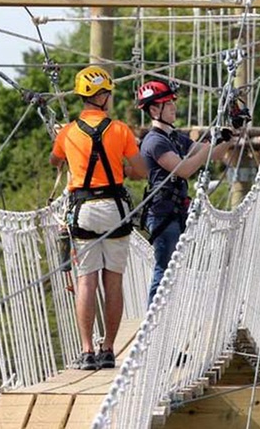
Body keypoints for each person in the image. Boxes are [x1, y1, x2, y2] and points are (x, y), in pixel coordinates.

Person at [50, 65, 148, 371]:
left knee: (86, 281)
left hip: (84, 211)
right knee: (114, 280)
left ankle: (87, 350)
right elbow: (141, 170)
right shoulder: (120, 130)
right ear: (102, 95)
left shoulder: (68, 132)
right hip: (115, 209)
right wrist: (122, 171)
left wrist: (63, 140)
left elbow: (55, 161)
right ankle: (108, 349)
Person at [136, 79, 235, 303]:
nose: (173, 107)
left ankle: (168, 317)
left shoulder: (175, 137)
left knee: (176, 270)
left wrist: (231, 136)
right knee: (164, 270)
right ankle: (155, 324)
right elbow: (185, 170)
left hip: (177, 211)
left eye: (172, 103)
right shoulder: (154, 142)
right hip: (162, 214)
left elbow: (213, 155)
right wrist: (210, 145)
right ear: (154, 109)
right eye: (167, 103)